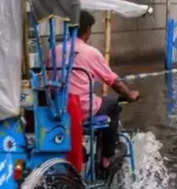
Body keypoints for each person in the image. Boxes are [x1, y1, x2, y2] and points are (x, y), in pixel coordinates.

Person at [58, 10, 140, 171]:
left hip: (58, 108)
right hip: (82, 109)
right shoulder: (90, 52)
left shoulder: (55, 51)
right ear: (88, 29)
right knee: (113, 105)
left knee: (103, 102)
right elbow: (114, 82)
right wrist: (130, 95)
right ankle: (107, 157)